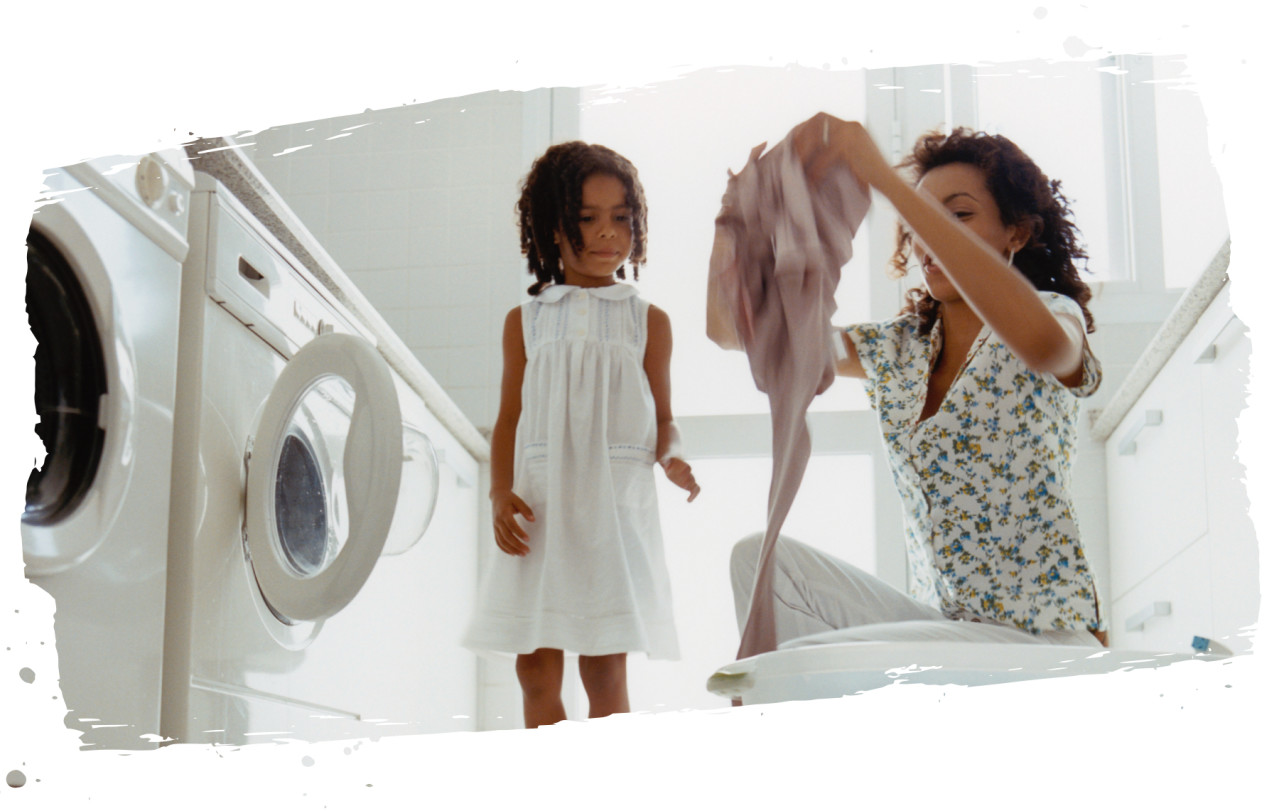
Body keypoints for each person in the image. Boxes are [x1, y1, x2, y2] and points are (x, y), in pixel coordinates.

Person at [708, 115, 1109, 651]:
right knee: (762, 563)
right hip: (947, 631)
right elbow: (734, 333)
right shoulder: (897, 350)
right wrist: (735, 221)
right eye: (917, 224)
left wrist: (887, 180)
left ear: (1017, 231)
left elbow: (1042, 347)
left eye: (960, 215)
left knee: (819, 659)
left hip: (1043, 637)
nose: (927, 240)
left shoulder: (1052, 317)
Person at [464, 141, 700, 728]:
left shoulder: (647, 320)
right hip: (539, 506)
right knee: (535, 668)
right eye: (586, 219)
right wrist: (498, 492)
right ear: (551, 227)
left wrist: (673, 457)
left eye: (621, 218)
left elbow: (665, 418)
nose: (606, 235)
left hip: (611, 510)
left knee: (604, 668)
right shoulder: (527, 321)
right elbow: (510, 418)